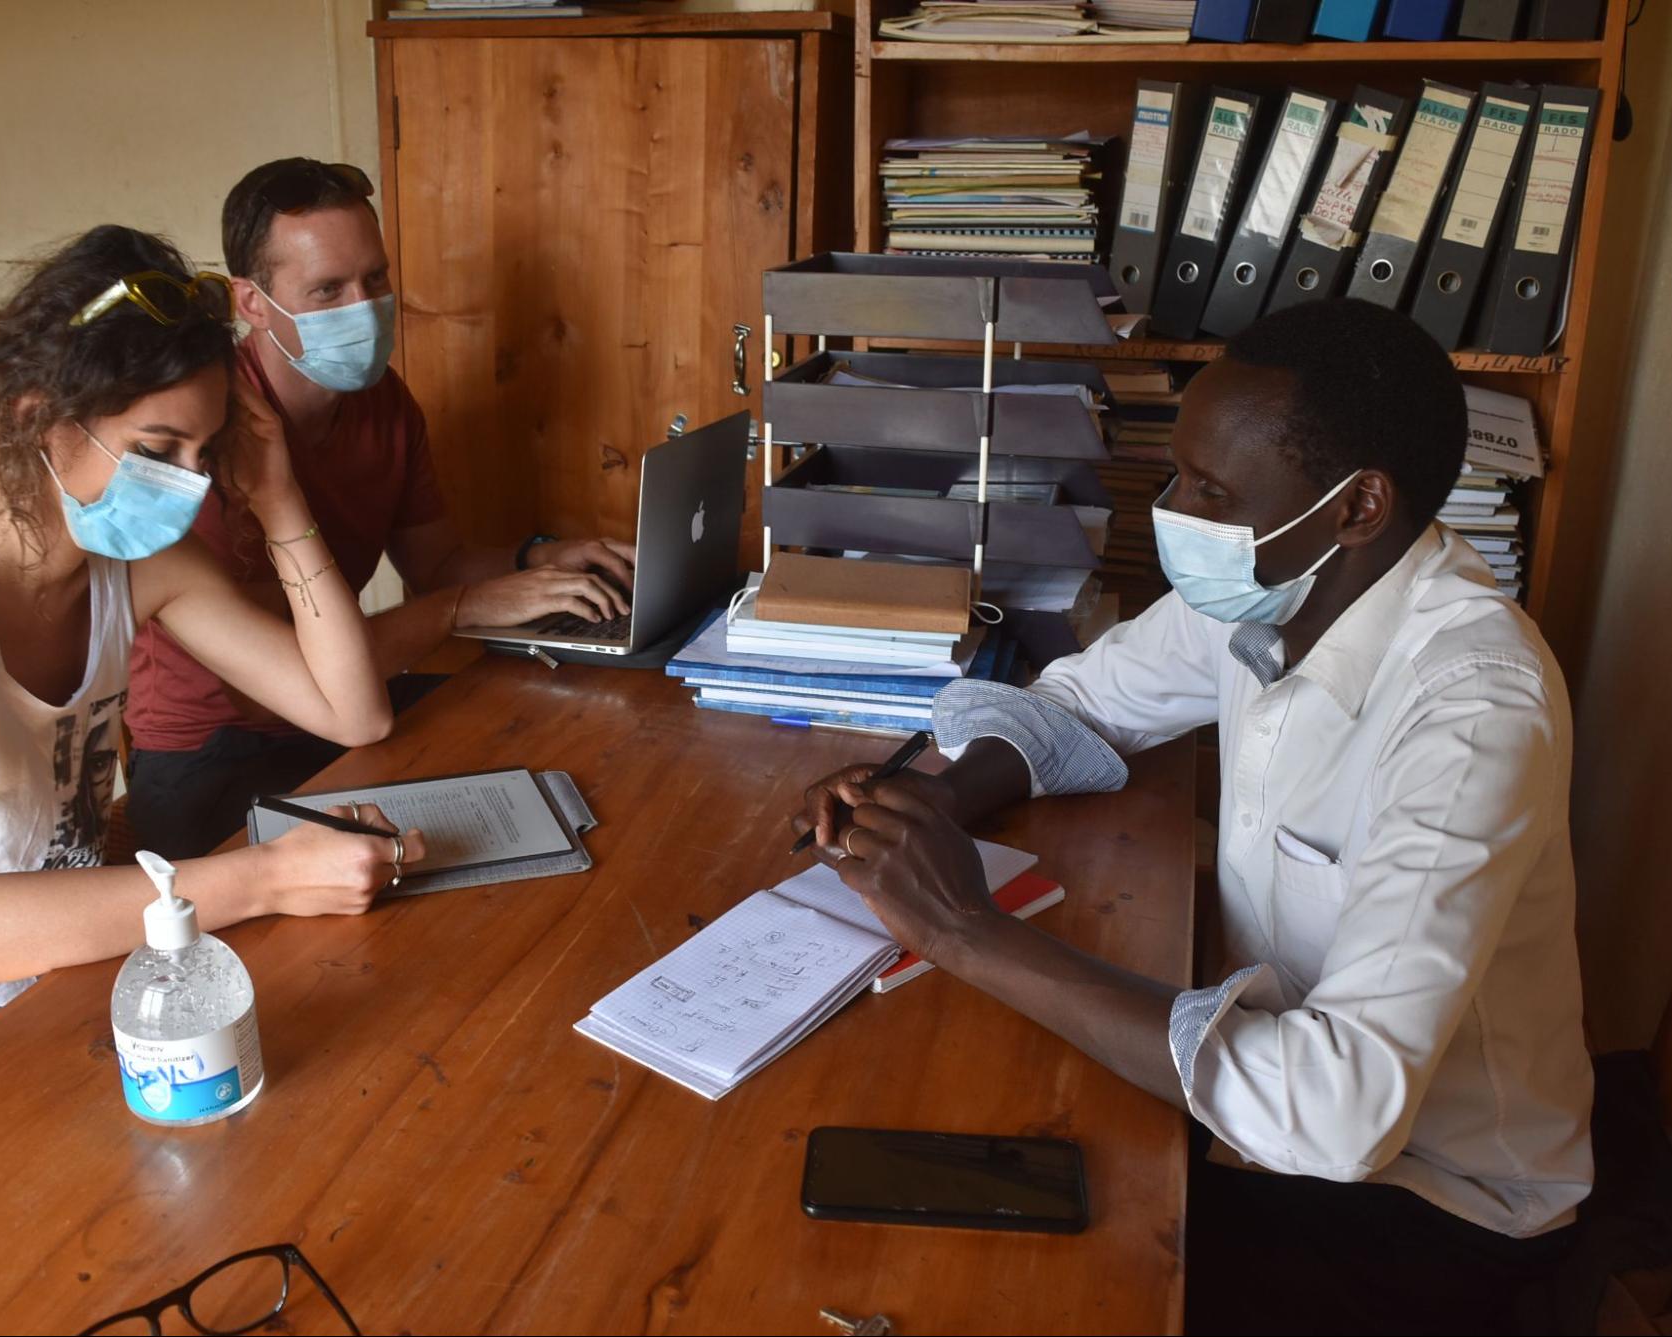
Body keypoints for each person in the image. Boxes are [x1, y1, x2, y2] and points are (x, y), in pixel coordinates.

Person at [793, 299, 1593, 1335]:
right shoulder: (1275, 588)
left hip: (1432, 1203)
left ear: (1356, 507)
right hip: (1266, 1112)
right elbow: (1078, 701)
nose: (1172, 506)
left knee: (993, 1277)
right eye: (1179, 471)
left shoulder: (1472, 708)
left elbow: (1338, 1109)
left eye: (1209, 488)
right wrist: (928, 802)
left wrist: (959, 927)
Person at [0, 226, 421, 1138]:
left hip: (50, 959)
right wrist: (263, 878)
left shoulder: (134, 568)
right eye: (159, 446)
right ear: (41, 416)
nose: (191, 486)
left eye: (206, 453)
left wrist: (278, 497)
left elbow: (352, 711)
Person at [126, 158, 635, 859]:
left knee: (568, 763)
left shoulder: (385, 403)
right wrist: (463, 606)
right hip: (216, 750)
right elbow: (300, 672)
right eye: (327, 289)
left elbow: (438, 564)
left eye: (376, 278)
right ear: (249, 302)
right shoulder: (206, 433)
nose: (362, 308)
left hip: (349, 712)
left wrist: (538, 558)